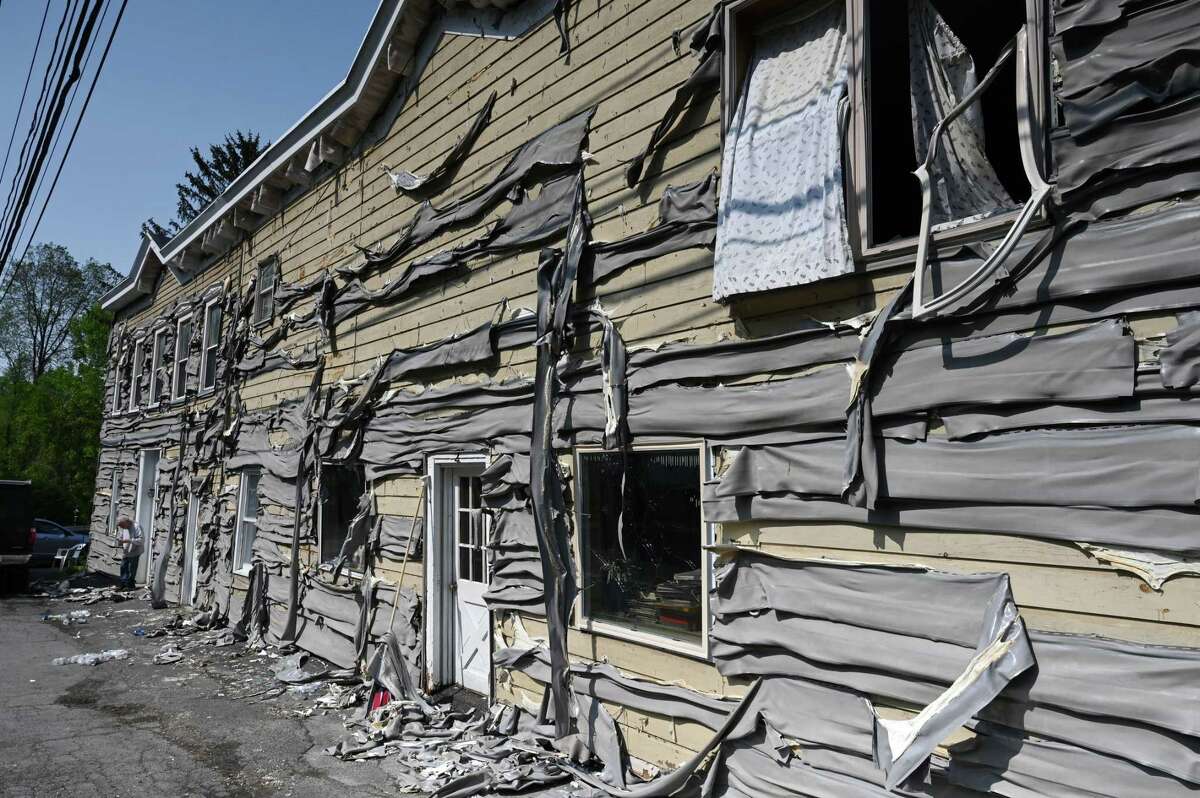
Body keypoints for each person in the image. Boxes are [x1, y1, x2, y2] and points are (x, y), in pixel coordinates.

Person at [116, 516, 144, 590]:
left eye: (122, 525)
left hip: (135, 551)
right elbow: (122, 536)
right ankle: (123, 583)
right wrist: (120, 539)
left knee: (131, 568)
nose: (122, 527)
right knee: (123, 567)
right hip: (126, 550)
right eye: (120, 526)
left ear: (126, 522)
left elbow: (141, 540)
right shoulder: (125, 527)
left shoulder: (136, 527)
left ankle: (130, 585)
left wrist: (129, 540)